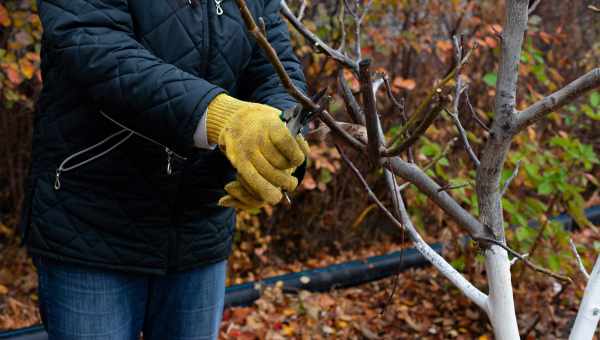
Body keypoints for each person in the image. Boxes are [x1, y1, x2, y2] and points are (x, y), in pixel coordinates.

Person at [19, 0, 309, 339]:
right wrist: (221, 116)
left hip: (199, 227)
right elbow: (96, 49)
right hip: (93, 227)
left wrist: (277, 140)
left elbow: (276, 70)